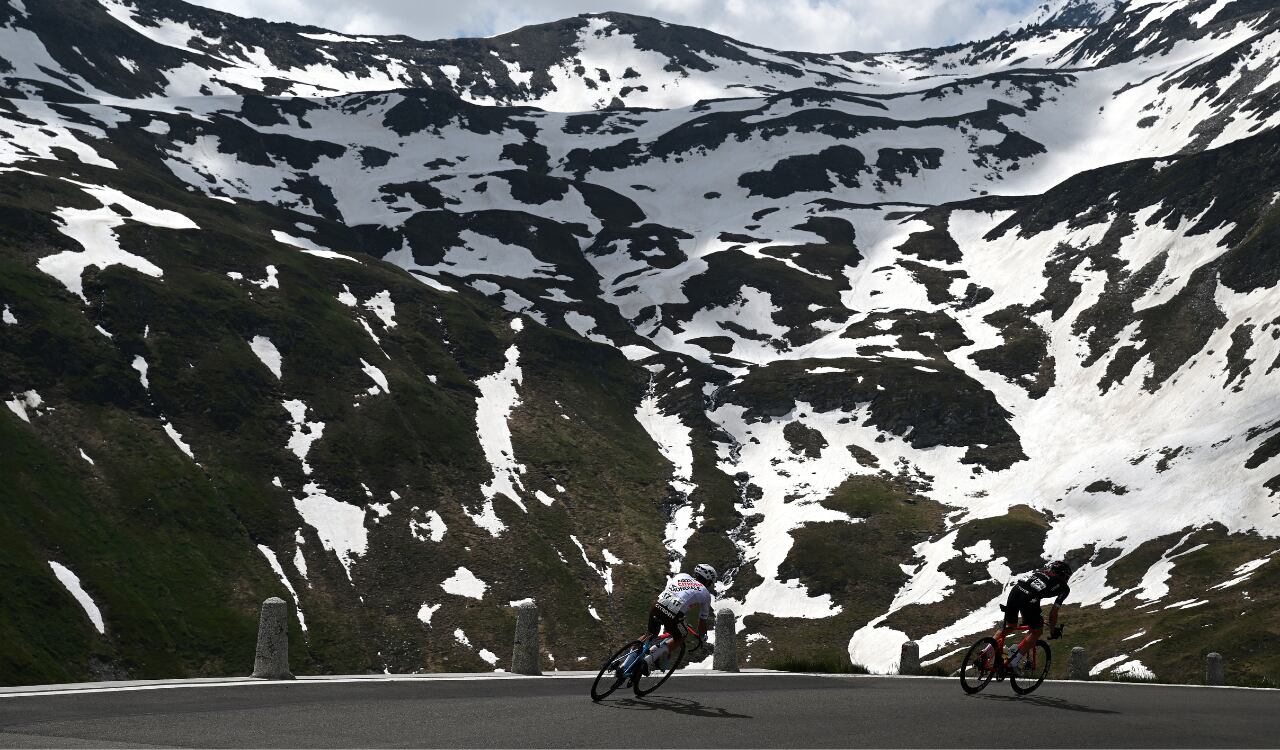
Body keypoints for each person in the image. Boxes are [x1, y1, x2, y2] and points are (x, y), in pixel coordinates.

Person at [640, 563, 717, 675]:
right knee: (681, 636)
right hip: (673, 614)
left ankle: (625, 663)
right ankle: (647, 661)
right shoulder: (705, 593)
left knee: (649, 634)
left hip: (657, 605)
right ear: (708, 581)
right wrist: (702, 635)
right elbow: (702, 620)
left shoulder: (682, 575)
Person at [994, 559, 1071, 670]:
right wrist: (1053, 631)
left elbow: (1034, 591)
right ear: (1063, 575)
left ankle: (985, 652)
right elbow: (1053, 612)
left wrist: (1035, 617)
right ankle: (1012, 663)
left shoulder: (1041, 572)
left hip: (1016, 590)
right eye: (1067, 577)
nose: (1067, 580)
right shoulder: (1064, 587)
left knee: (1010, 626)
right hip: (1029, 597)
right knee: (1037, 631)